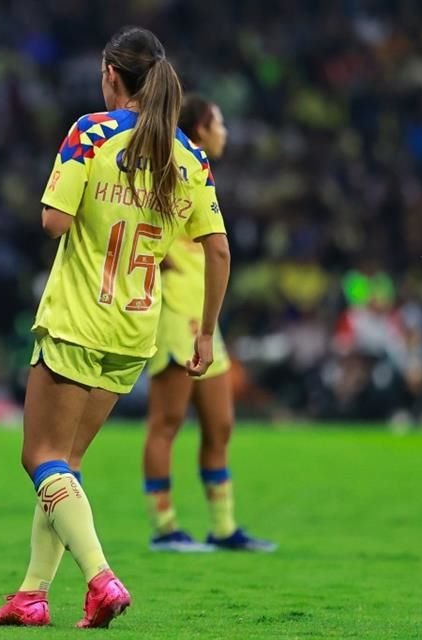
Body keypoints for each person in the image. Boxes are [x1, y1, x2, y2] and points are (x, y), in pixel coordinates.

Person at [0, 27, 230, 628]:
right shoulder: (191, 158)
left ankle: (100, 579)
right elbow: (218, 251)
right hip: (137, 332)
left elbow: (54, 222)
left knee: (39, 457)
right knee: (65, 464)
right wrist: (204, 333)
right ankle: (32, 593)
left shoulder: (92, 132)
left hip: (77, 319)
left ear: (112, 77)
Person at [142, 95, 276, 553]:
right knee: (167, 421)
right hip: (176, 312)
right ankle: (165, 528)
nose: (225, 132)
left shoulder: (198, 169)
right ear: (200, 127)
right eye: (219, 122)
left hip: (206, 317)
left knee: (220, 424)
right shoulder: (169, 168)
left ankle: (223, 527)